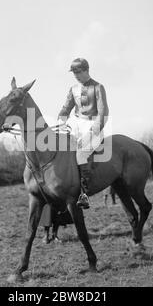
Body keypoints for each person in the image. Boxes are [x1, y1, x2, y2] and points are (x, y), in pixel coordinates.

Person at [57, 58, 109, 209]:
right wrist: (60, 121)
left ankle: (84, 194)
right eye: (74, 73)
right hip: (76, 124)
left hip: (93, 125)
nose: (76, 76)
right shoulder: (73, 89)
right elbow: (65, 109)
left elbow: (103, 113)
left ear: (87, 70)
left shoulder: (98, 87)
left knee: (80, 153)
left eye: (78, 72)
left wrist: (91, 133)